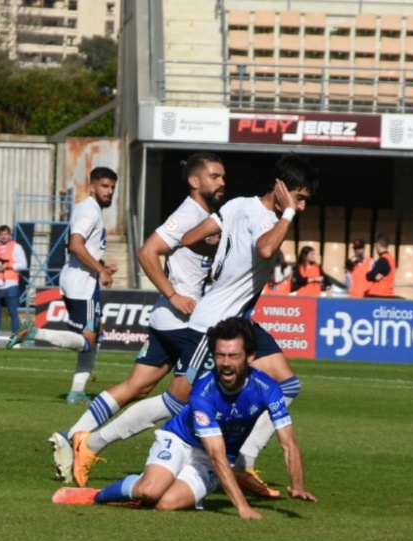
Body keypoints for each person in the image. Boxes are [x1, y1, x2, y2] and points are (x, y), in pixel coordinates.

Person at [62, 153, 317, 497]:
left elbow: (192, 237)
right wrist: (283, 215)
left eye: (303, 202)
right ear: (281, 188)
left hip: (238, 322)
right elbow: (266, 247)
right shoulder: (266, 218)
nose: (300, 207)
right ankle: (92, 442)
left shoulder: (238, 205)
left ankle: (242, 462)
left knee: (287, 386)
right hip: (213, 324)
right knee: (175, 402)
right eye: (298, 198)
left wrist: (222, 256)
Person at [48, 152, 226, 482]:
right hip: (184, 323)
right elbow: (147, 252)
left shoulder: (205, 215)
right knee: (187, 397)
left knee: (137, 387)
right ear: (194, 181)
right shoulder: (188, 214)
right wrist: (174, 294)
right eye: (215, 176)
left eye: (222, 177)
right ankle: (209, 468)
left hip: (168, 320)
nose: (222, 182)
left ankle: (71, 435)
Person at [52, 317, 318, 516]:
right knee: (150, 490)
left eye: (233, 356)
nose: (225, 363)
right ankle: (97, 495)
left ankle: (136, 493)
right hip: (180, 439)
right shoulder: (203, 392)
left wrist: (297, 484)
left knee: (166, 504)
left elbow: (288, 443)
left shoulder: (268, 389)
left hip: (211, 460)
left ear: (249, 357)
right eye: (220, 355)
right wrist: (242, 507)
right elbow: (216, 453)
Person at [6, 167, 118, 405]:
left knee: (94, 336)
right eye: (105, 186)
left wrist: (101, 264)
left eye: (112, 188)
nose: (109, 192)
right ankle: (35, 333)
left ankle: (77, 392)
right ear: (93, 186)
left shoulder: (90, 209)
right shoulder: (90, 210)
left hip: (80, 279)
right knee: (87, 341)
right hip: (82, 284)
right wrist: (99, 270)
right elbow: (76, 244)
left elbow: (80, 248)